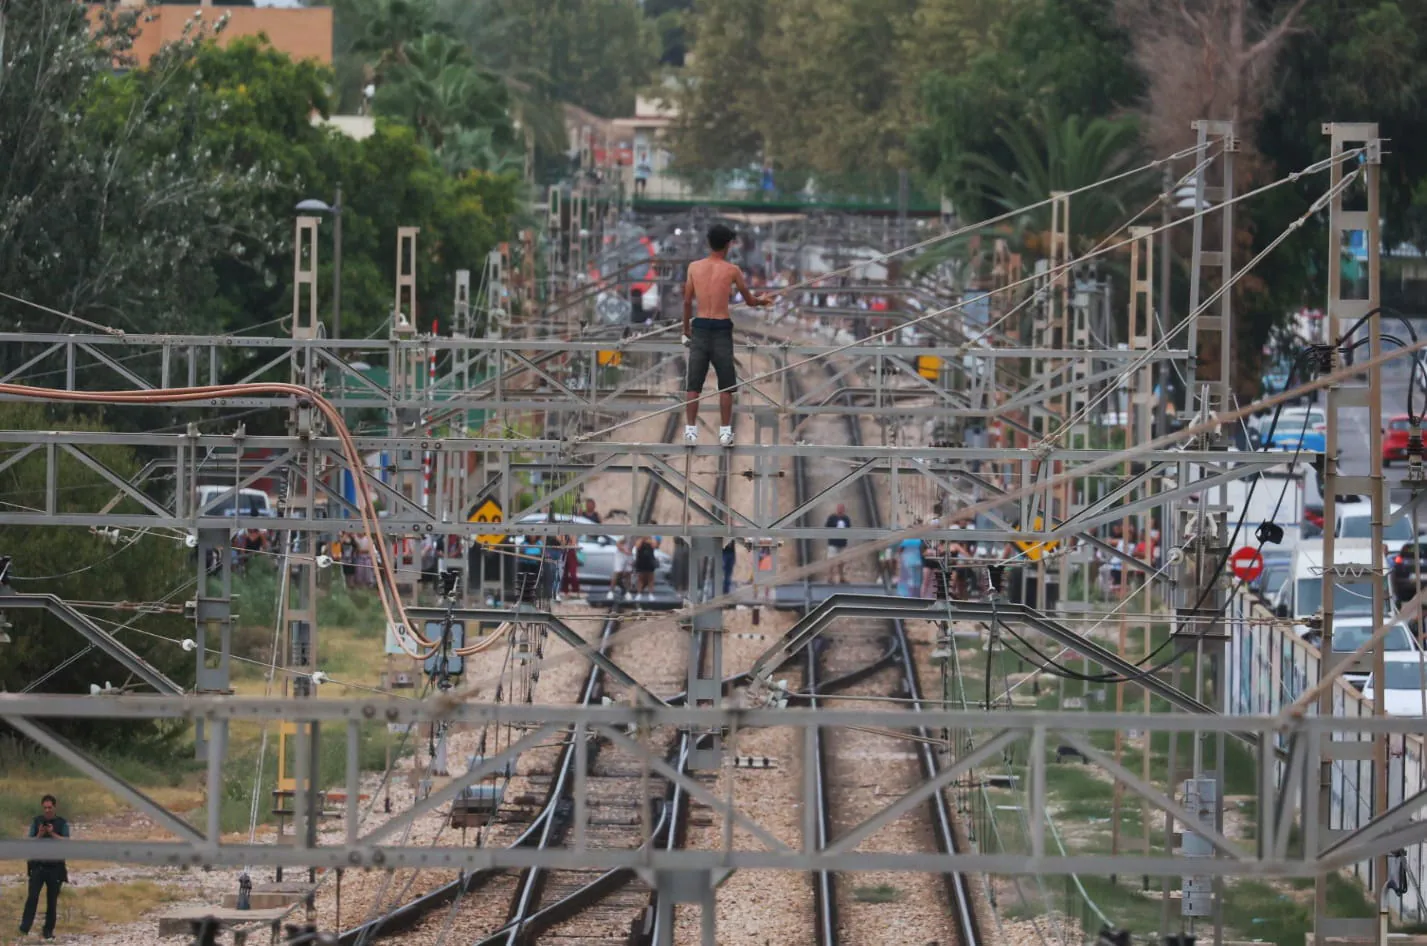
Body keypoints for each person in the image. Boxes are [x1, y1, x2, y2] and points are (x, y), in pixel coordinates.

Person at [682, 224, 772, 447]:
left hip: (700, 327)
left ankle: (690, 432)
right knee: (726, 384)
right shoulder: (732, 270)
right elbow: (749, 301)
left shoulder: (694, 267)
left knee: (694, 384)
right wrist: (763, 300)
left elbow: (686, 301)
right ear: (728, 245)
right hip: (722, 328)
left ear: (709, 243)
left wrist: (686, 329)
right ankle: (724, 433)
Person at [20, 795, 69, 940]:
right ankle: (24, 928)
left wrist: (52, 833)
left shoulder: (62, 823)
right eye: (45, 808)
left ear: (55, 807)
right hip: (38, 867)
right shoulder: (37, 821)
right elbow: (30, 842)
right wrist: (40, 834)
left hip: (55, 867)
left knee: (52, 901)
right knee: (32, 898)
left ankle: (48, 930)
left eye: (50, 807)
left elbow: (67, 842)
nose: (47, 810)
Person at [825, 504, 851, 583]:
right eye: (839, 508)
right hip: (833, 543)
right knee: (831, 560)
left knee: (842, 561)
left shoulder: (846, 519)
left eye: (842, 509)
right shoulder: (832, 518)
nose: (840, 510)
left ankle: (841, 577)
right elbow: (826, 527)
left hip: (842, 543)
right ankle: (830, 577)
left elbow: (849, 528)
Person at [606, 536, 631, 601]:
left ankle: (627, 592)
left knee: (628, 573)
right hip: (620, 555)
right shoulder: (624, 536)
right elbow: (618, 544)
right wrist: (624, 550)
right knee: (617, 572)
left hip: (629, 555)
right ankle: (611, 591)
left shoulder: (636, 536)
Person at [633, 536, 658, 601]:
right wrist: (643, 539)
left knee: (650, 579)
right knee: (640, 579)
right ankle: (639, 594)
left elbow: (654, 545)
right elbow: (637, 546)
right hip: (641, 561)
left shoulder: (652, 539)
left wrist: (648, 539)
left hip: (650, 561)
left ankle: (651, 595)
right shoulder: (639, 539)